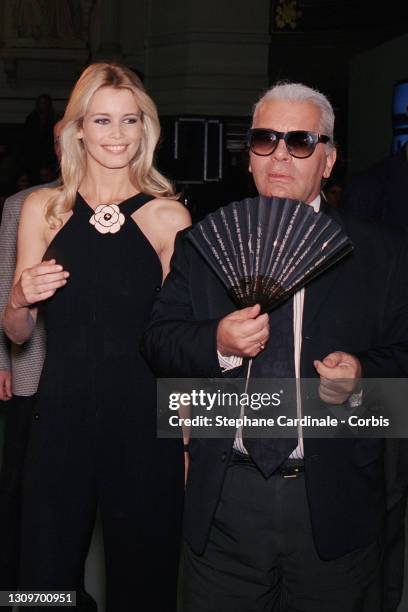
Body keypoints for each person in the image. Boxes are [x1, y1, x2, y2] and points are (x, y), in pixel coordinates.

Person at [142, 82, 408, 612]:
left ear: (328, 160)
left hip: (335, 502)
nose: (280, 154)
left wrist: (361, 375)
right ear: (250, 157)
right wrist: (217, 341)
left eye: (301, 141)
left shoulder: (382, 254)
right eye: (266, 139)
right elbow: (157, 341)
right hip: (226, 500)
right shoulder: (206, 243)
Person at [3, 63, 190, 611]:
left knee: (145, 576)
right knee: (43, 581)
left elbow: (176, 339)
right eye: (102, 120)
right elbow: (18, 333)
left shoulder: (168, 218)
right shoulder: (44, 208)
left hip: (143, 423)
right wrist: (18, 300)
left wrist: (186, 433)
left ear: (145, 129)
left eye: (129, 120)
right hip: (58, 419)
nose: (116, 134)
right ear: (77, 129)